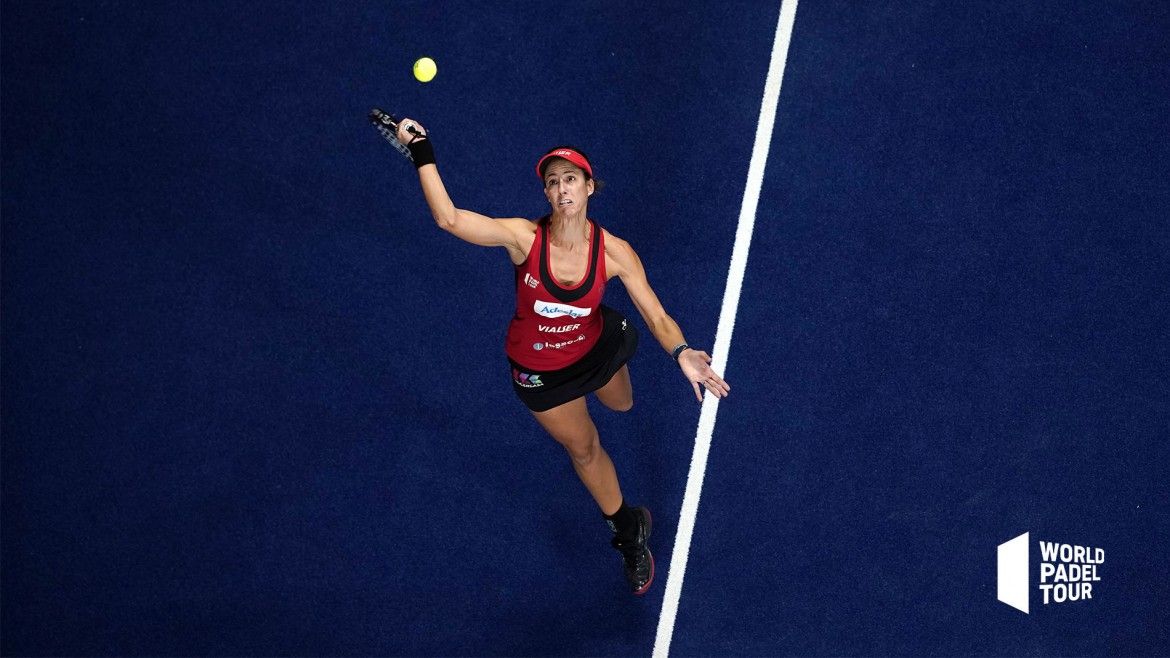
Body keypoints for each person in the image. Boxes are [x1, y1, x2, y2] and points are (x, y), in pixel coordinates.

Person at [393, 118, 730, 595]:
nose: (561, 187)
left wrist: (681, 351)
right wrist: (422, 151)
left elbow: (655, 314)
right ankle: (628, 528)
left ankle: (607, 370)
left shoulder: (614, 253)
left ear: (589, 188)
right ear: (547, 196)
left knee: (622, 404)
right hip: (542, 372)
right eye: (552, 182)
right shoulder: (522, 239)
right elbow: (449, 218)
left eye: (570, 178)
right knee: (584, 447)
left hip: (595, 347)